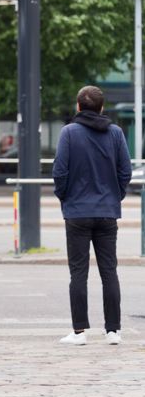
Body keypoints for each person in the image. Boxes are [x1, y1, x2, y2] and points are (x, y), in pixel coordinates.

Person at [53, 85, 131, 346]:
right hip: (107, 212)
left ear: (78, 106)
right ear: (102, 107)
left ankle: (79, 332)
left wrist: (65, 198)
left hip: (77, 212)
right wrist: (114, 196)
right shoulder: (116, 133)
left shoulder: (69, 133)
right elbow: (125, 172)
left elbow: (60, 172)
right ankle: (113, 331)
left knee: (78, 273)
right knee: (109, 270)